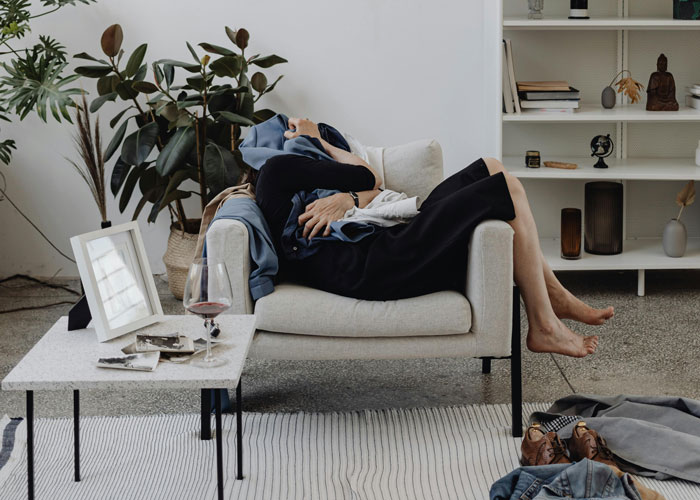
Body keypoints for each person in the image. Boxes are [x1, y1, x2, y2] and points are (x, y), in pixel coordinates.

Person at [254, 117, 613, 358]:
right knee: (510, 189)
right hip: (372, 263)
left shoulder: (300, 190)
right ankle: (544, 323)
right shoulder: (277, 169)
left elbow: (368, 184)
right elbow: (367, 178)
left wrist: (345, 197)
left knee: (492, 166)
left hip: (378, 251)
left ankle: (553, 294)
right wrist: (316, 140)